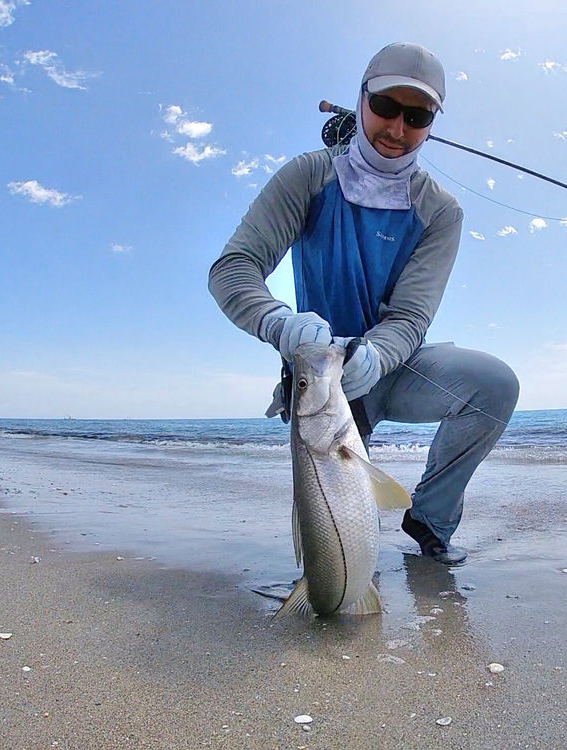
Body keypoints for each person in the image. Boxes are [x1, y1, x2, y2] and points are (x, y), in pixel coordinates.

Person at [209, 42, 519, 565]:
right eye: (386, 108)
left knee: (493, 385)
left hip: (392, 366)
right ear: (362, 101)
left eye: (417, 116)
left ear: (430, 124)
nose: (398, 129)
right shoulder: (308, 176)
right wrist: (277, 323)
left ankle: (431, 519)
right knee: (340, 560)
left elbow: (411, 317)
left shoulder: (440, 211)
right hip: (321, 379)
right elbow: (234, 267)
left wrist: (376, 354)